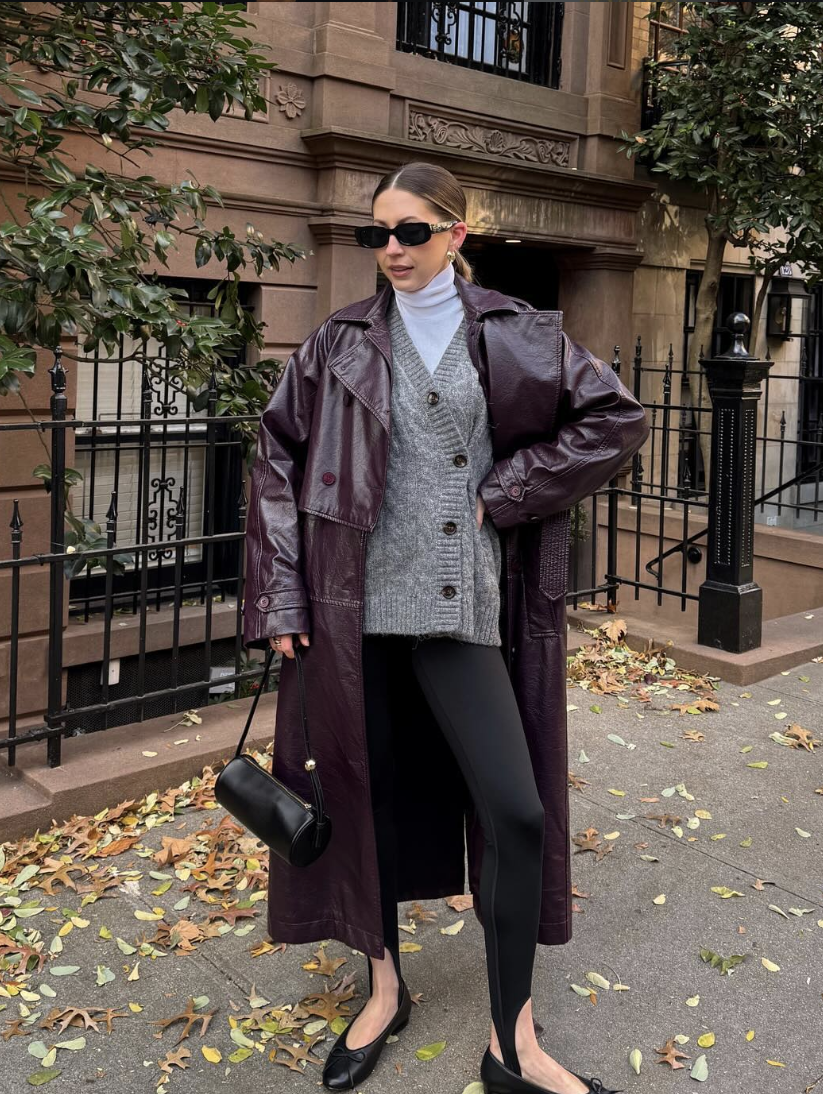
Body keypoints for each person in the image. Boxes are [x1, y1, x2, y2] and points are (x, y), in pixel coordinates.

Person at [243, 160, 646, 1094]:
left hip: (461, 611)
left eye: (412, 231)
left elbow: (614, 420)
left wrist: (505, 492)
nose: (391, 248)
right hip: (352, 613)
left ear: (458, 235)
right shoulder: (336, 343)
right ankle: (384, 987)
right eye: (377, 232)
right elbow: (274, 459)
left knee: (516, 809)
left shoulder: (517, 334)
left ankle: (515, 1042)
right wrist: (281, 597)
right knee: (362, 801)